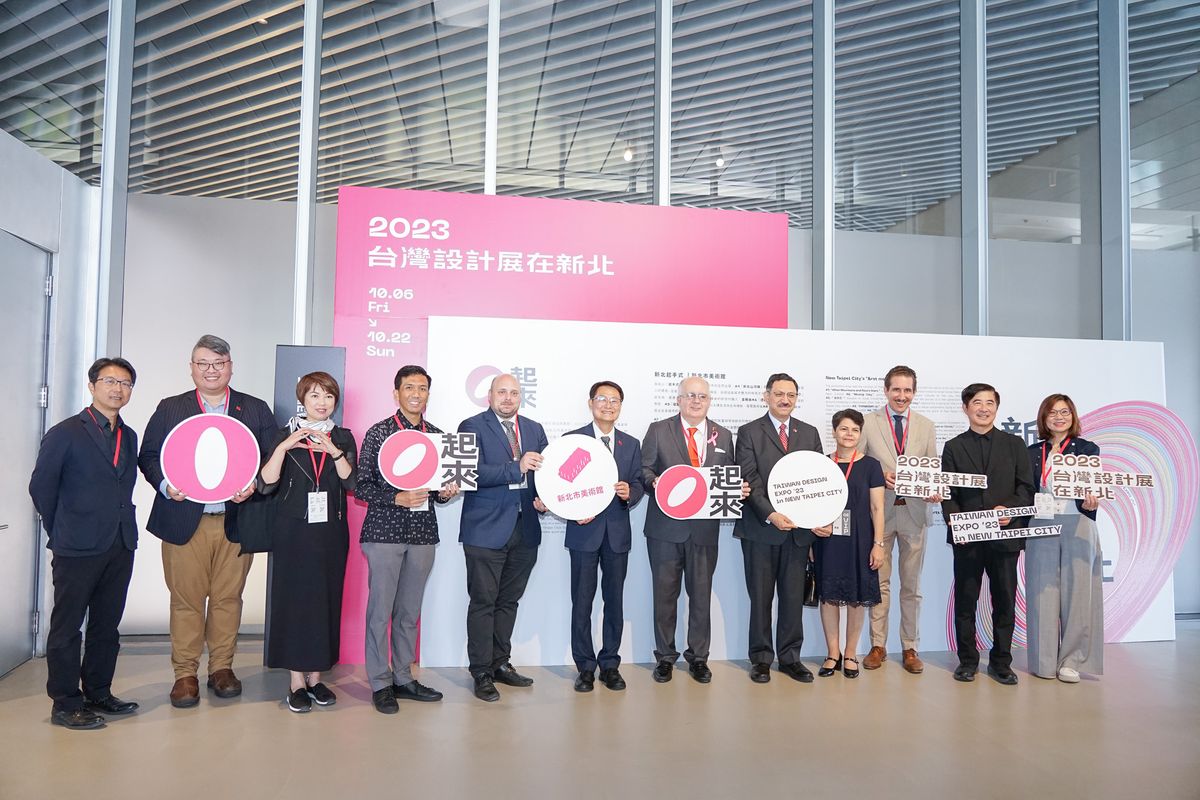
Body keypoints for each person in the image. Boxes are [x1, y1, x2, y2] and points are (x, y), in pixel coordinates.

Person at [137, 335, 276, 708]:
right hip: (185, 520)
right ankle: (184, 674)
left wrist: (256, 485)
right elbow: (149, 455)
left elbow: (271, 459)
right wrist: (166, 485)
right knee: (186, 601)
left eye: (219, 363)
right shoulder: (171, 407)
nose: (211, 370)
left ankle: (221, 669)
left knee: (228, 599)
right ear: (192, 367)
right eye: (203, 363)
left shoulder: (255, 408)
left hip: (235, 521)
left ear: (231, 366)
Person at [29, 358, 141, 730]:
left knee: (106, 627)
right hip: (75, 546)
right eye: (109, 381)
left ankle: (98, 692)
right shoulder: (65, 433)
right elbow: (41, 487)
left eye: (125, 384)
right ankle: (65, 702)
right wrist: (61, 531)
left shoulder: (129, 435)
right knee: (67, 628)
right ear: (92, 386)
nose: (117, 389)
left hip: (119, 543)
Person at [354, 366, 460, 714]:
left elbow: (440, 495)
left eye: (423, 388)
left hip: (423, 533)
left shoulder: (439, 437)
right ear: (396, 392)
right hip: (384, 531)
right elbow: (361, 485)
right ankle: (381, 683)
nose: (417, 393)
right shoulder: (379, 432)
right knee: (380, 612)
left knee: (409, 613)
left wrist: (448, 491)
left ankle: (403, 677)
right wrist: (395, 498)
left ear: (429, 394)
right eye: (410, 387)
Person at [259, 372, 357, 713]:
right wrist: (285, 447)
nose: (322, 402)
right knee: (294, 602)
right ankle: (296, 682)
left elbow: (351, 483)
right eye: (314, 395)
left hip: (331, 532)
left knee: (324, 601)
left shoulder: (343, 436)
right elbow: (266, 483)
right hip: (292, 531)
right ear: (303, 399)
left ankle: (316, 679)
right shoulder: (283, 434)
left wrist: (332, 450)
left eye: (328, 396)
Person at [640, 376, 745, 684]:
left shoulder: (723, 435)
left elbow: (729, 475)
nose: (696, 401)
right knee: (664, 597)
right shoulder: (659, 430)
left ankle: (698, 658)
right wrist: (654, 482)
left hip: (703, 531)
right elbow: (644, 469)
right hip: (664, 530)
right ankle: (665, 658)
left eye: (702, 396)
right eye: (690, 396)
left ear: (709, 401)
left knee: (701, 597)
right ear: (679, 400)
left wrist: (738, 489)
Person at [458, 374, 548, 702]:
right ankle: (480, 671)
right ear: (490, 396)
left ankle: (500, 663)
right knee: (483, 602)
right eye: (502, 392)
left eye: (514, 393)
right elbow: (468, 473)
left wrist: (547, 499)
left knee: (508, 601)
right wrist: (515, 467)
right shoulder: (471, 425)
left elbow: (546, 471)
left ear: (521, 397)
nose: (508, 398)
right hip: (485, 529)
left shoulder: (535, 429)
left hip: (525, 529)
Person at [941, 383, 1035, 685]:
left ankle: (1001, 662)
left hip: (1005, 536)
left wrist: (1008, 509)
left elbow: (1026, 489)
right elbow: (948, 493)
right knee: (966, 601)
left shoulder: (1015, 444)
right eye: (977, 402)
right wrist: (958, 525)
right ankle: (967, 661)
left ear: (997, 407)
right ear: (965, 408)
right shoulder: (954, 446)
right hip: (968, 538)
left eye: (990, 402)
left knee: (1004, 600)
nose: (984, 408)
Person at [734, 373, 822, 684]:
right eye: (779, 394)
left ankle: (790, 657)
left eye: (791, 395)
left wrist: (814, 517)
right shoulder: (748, 432)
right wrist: (771, 514)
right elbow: (749, 478)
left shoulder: (809, 433)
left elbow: (817, 479)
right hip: (761, 529)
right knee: (760, 597)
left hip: (798, 532)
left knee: (792, 596)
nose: (785, 399)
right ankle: (760, 658)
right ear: (766, 396)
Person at [858, 365, 940, 674]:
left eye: (907, 390)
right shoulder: (868, 423)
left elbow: (931, 467)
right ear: (886, 390)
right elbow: (860, 466)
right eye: (896, 390)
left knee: (911, 586)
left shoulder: (926, 426)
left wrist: (933, 490)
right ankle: (878, 645)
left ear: (914, 393)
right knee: (879, 584)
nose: (901, 396)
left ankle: (910, 647)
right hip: (879, 516)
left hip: (915, 513)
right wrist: (880, 475)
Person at [564, 381, 644, 693]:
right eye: (602, 399)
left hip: (617, 535)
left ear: (620, 406)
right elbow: (562, 485)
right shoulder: (574, 441)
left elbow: (638, 482)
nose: (608, 405)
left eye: (614, 400)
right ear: (590, 403)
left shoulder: (630, 443)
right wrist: (573, 510)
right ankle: (585, 666)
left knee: (615, 602)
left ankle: (610, 663)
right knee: (581, 603)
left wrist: (630, 493)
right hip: (584, 531)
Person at [1026, 393, 1104, 683]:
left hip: (1078, 522)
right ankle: (1044, 661)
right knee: (1040, 592)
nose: (1059, 417)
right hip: (1041, 522)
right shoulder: (1033, 452)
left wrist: (1092, 499)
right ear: (1043, 418)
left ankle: (1072, 660)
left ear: (1073, 416)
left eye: (1064, 412)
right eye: (1052, 413)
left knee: (1078, 593)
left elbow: (1093, 486)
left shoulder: (1087, 448)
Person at [811, 409, 885, 679]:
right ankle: (833, 653)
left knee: (856, 598)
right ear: (834, 432)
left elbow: (877, 508)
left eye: (854, 429)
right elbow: (811, 505)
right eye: (843, 429)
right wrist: (812, 529)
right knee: (829, 598)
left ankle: (851, 653)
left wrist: (878, 544)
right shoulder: (821, 464)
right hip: (827, 539)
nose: (849, 434)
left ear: (860, 433)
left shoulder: (871, 466)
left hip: (860, 539)